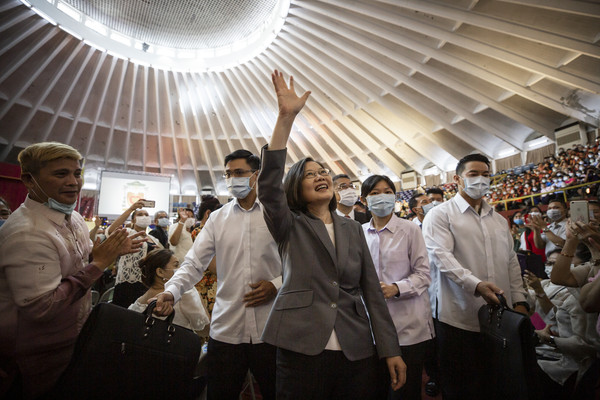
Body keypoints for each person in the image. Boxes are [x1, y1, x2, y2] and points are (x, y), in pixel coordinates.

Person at [254, 69, 405, 399]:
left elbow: (371, 291)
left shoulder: (352, 228)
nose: (320, 175)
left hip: (356, 350)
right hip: (300, 348)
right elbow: (267, 186)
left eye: (323, 171)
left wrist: (390, 348)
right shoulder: (288, 224)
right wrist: (285, 119)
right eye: (310, 174)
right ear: (297, 186)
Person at [0, 142, 140, 399]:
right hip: (35, 360)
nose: (73, 182)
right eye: (60, 174)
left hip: (71, 345)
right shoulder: (27, 233)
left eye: (76, 173)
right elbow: (42, 307)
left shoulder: (72, 217)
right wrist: (99, 264)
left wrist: (109, 252)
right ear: (29, 180)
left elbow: (79, 262)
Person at [154, 149, 282, 400]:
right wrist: (171, 291)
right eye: (228, 174)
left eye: (239, 173)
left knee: (277, 393)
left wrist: (276, 284)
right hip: (227, 329)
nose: (232, 178)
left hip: (272, 326)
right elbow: (193, 263)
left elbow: (298, 263)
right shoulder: (218, 219)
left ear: (256, 175)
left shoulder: (276, 214)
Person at [422, 153, 528, 400]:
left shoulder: (499, 220)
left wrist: (520, 300)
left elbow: (510, 260)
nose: (481, 179)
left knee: (497, 383)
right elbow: (441, 257)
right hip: (458, 316)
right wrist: (476, 284)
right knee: (462, 387)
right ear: (458, 179)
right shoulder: (441, 215)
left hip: (500, 315)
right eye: (473, 174)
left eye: (486, 175)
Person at [361, 175, 435, 400]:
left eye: (387, 192)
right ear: (364, 200)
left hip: (408, 325)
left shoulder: (410, 229)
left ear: (394, 197)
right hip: (372, 327)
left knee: (405, 390)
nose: (381, 197)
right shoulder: (358, 232)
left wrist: (396, 288)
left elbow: (424, 274)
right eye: (374, 193)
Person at [129, 249, 209, 332]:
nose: (180, 269)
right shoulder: (185, 294)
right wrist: (197, 297)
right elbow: (205, 330)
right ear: (160, 272)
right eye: (176, 265)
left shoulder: (139, 302)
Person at [108, 202, 161, 308]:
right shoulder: (128, 232)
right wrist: (131, 209)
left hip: (146, 283)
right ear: (133, 220)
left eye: (146, 215)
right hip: (128, 283)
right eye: (140, 214)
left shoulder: (154, 239)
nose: (144, 217)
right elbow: (111, 230)